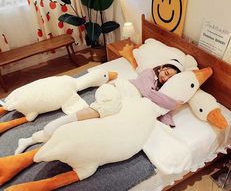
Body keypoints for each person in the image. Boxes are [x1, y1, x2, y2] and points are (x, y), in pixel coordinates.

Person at [15, 59, 184, 154]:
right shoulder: (149, 73)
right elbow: (149, 93)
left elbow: (157, 108)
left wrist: (167, 117)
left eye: (169, 79)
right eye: (166, 73)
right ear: (161, 67)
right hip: (113, 90)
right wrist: (174, 103)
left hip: (119, 101)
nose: (165, 78)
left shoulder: (159, 91)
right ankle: (60, 123)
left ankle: (32, 139)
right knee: (111, 108)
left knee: (95, 128)